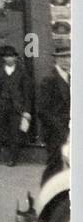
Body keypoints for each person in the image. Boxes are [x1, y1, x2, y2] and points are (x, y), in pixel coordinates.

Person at [0, 45, 33, 166]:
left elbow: (27, 93)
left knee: (14, 132)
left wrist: (26, 110)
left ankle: (12, 159)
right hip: (1, 104)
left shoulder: (22, 72)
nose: (9, 59)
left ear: (15, 58)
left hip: (16, 106)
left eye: (12, 56)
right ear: (4, 58)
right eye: (7, 57)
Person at [37, 41, 70, 182]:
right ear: (56, 59)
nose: (68, 60)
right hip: (55, 133)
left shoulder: (70, 77)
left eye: (69, 57)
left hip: (68, 130)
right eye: (63, 57)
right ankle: (45, 199)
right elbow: (43, 111)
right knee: (54, 166)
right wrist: (62, 131)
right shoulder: (49, 80)